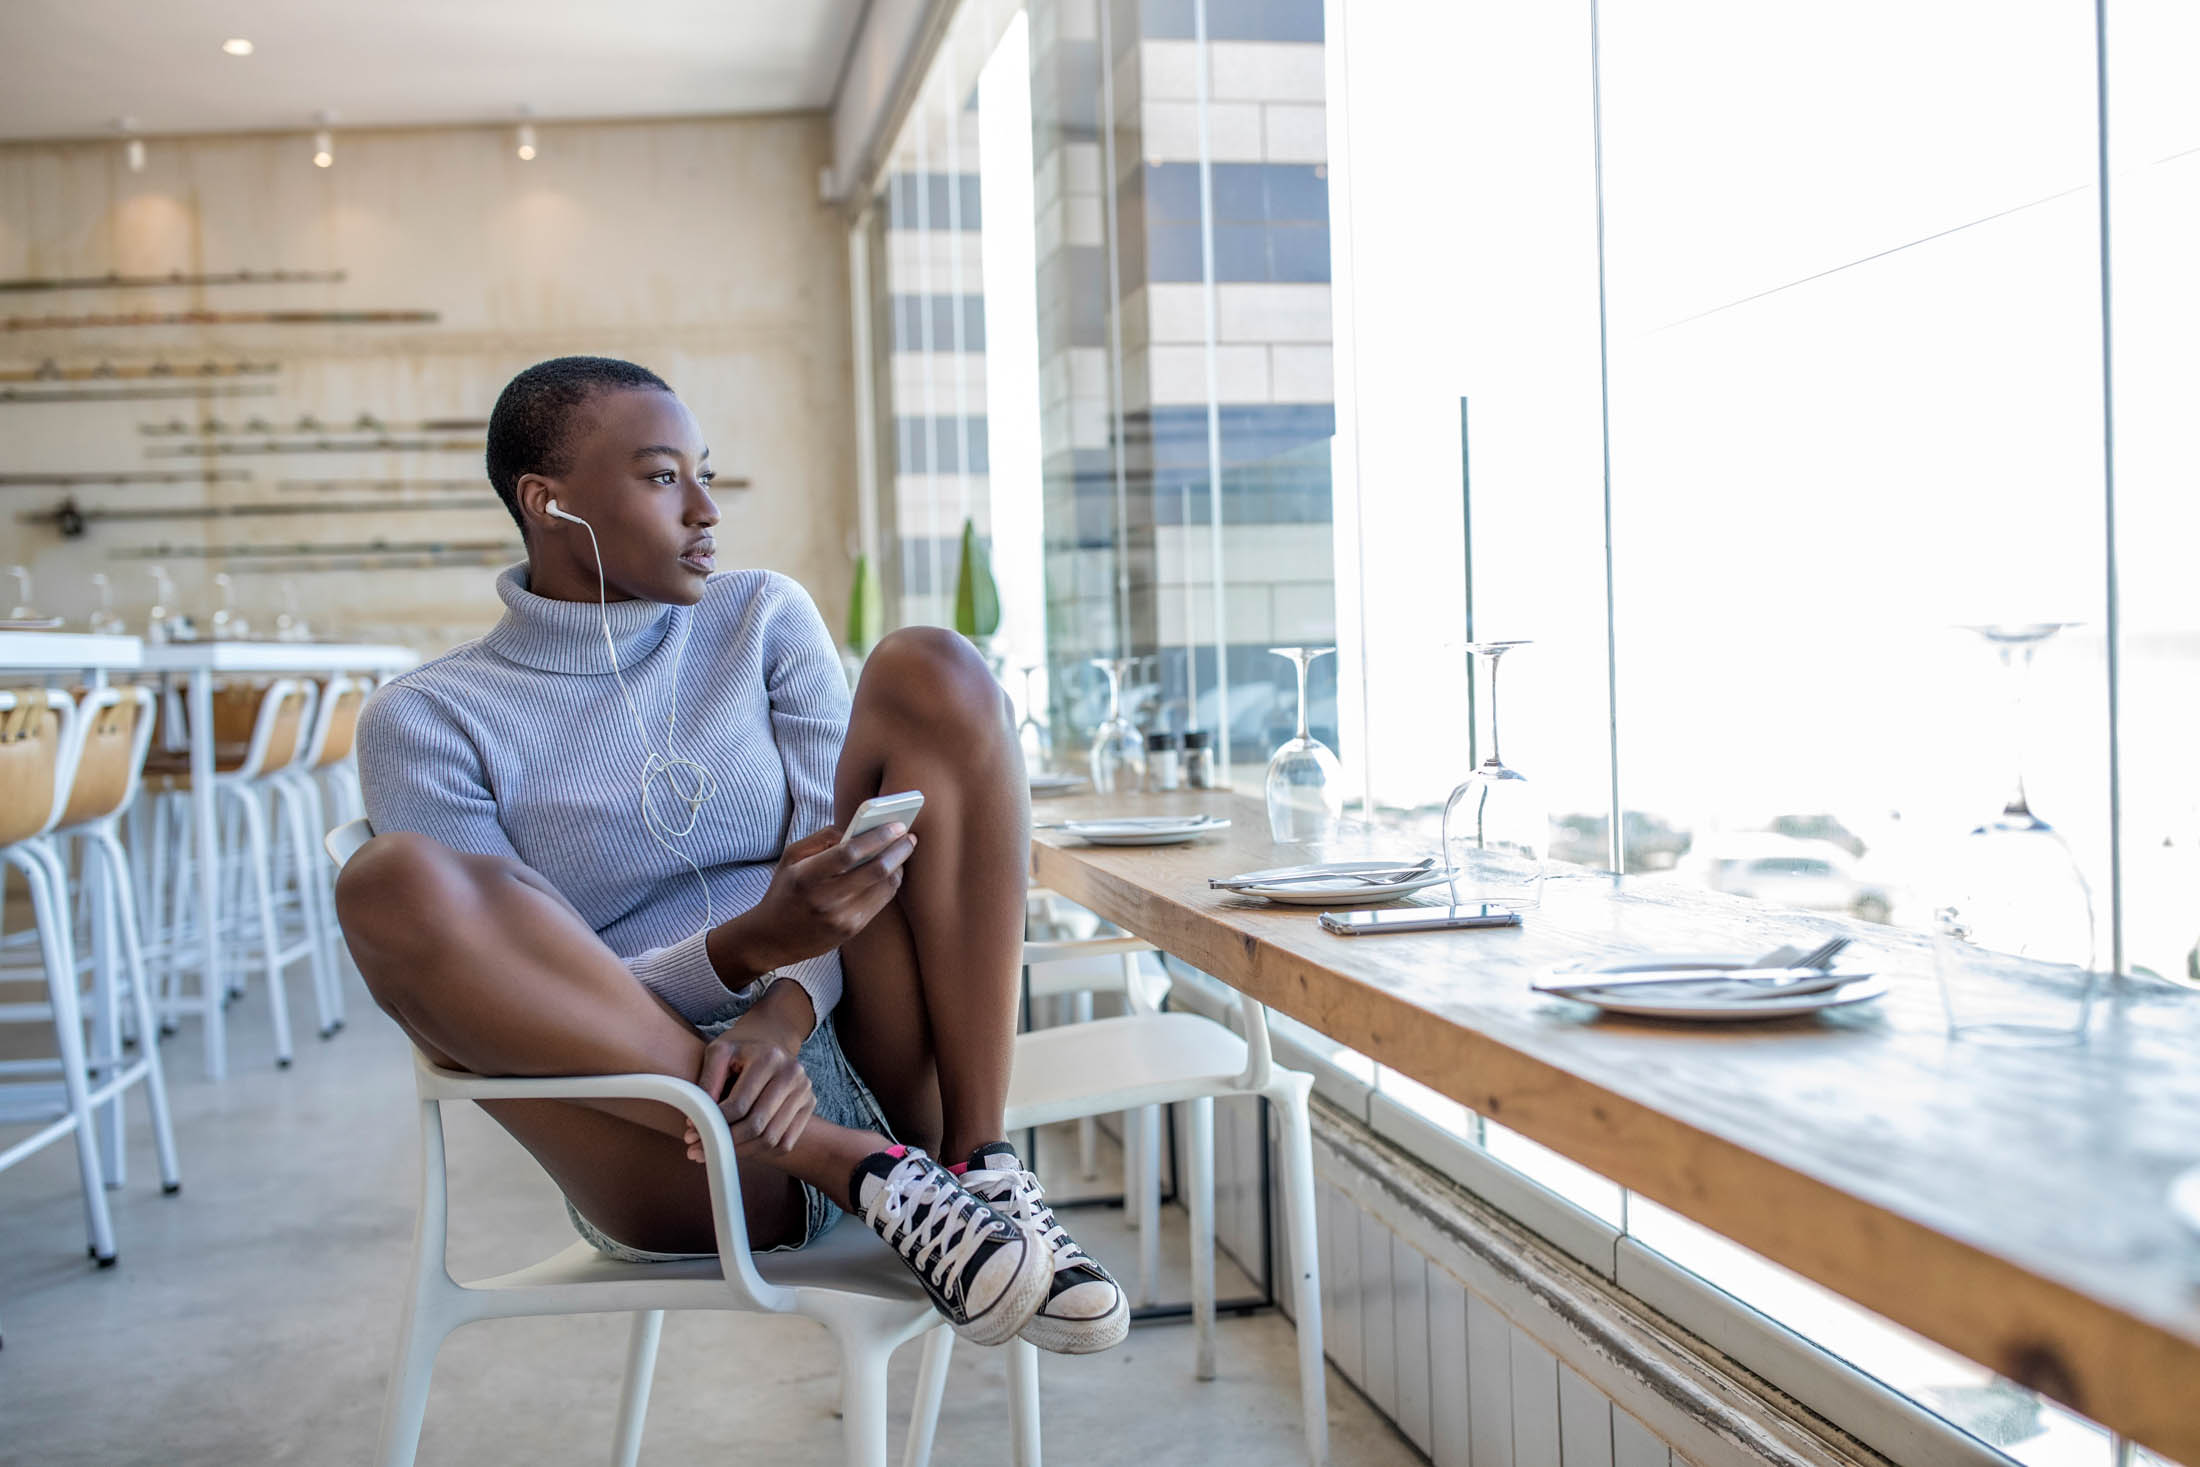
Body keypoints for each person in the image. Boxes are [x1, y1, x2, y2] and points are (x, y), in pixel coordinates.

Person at [337, 356, 1125, 1355]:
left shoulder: (759, 620)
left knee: (934, 665)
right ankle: (846, 1163)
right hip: (668, 1133)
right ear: (548, 503)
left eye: (703, 473)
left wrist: (781, 1012)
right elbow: (521, 995)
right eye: (663, 477)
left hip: (870, 1050)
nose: (705, 509)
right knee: (389, 884)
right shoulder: (431, 718)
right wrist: (738, 953)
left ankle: (978, 1171)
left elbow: (843, 863)